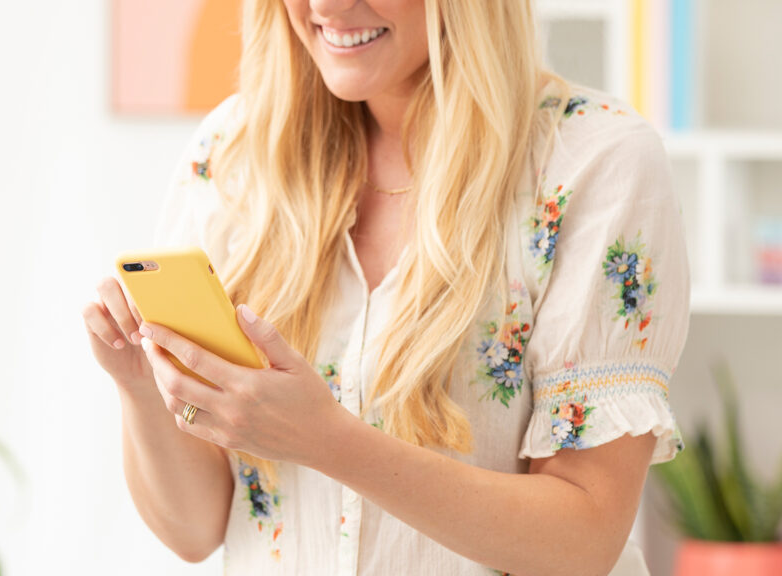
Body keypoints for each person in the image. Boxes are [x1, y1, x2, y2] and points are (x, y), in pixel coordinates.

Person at [82, 0, 690, 574]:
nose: (330, 5)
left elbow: (583, 540)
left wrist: (330, 443)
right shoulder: (232, 155)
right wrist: (140, 386)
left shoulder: (593, 163)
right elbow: (196, 530)